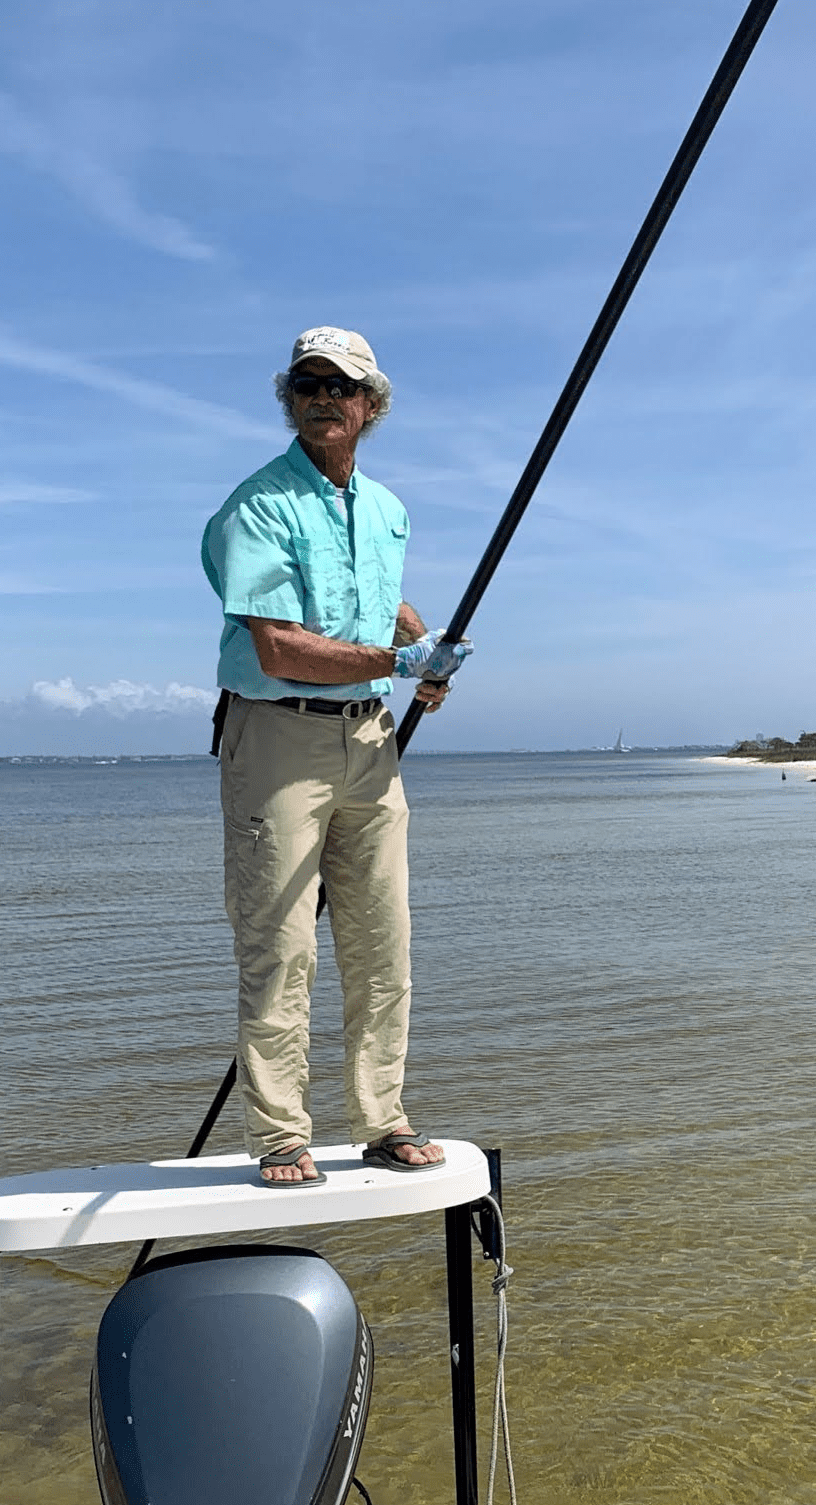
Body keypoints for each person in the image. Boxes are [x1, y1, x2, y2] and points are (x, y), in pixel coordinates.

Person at [200, 325, 470, 1187]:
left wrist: (430, 651)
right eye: (309, 383)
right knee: (280, 945)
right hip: (277, 735)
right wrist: (401, 665)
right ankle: (281, 1134)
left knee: (382, 940)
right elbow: (276, 645)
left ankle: (382, 1119)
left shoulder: (386, 508)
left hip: (370, 741)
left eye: (343, 386)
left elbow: (382, 600)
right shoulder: (257, 505)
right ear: (291, 398)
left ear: (370, 406)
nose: (325, 397)